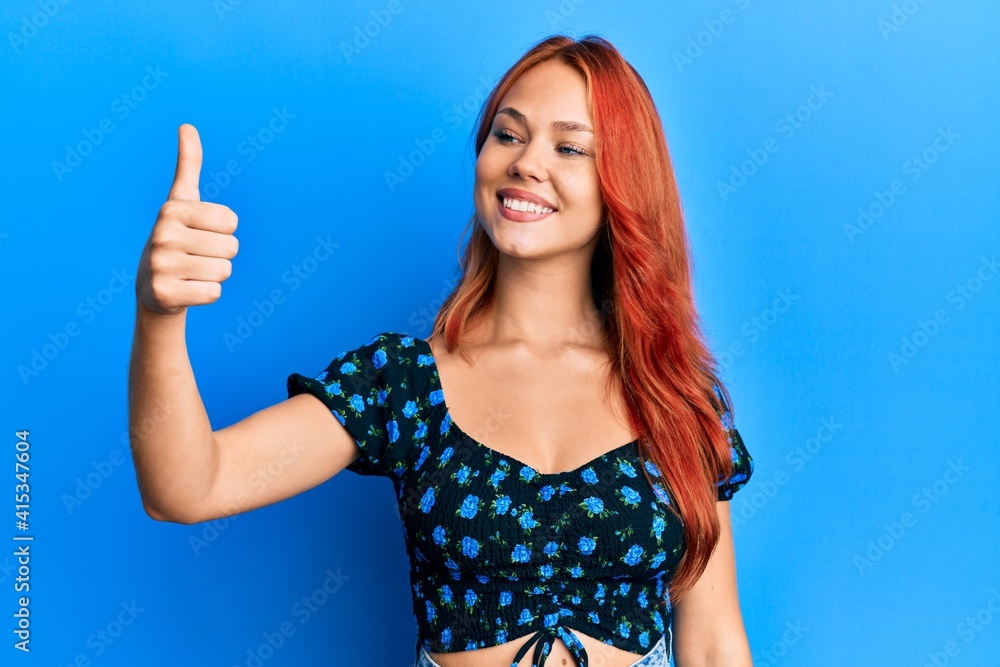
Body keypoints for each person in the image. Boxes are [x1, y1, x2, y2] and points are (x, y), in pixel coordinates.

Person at [128, 33, 754, 667]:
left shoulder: (673, 394)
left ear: (624, 181)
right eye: (508, 135)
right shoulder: (402, 384)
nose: (527, 163)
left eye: (569, 147)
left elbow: (712, 643)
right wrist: (160, 315)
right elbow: (187, 486)